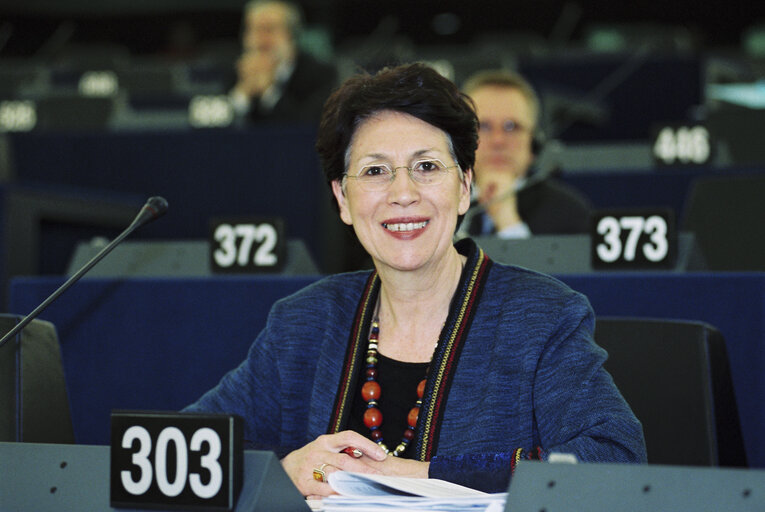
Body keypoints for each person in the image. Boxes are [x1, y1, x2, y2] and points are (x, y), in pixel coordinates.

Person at [185, 63, 646, 497]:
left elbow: (614, 461)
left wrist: (415, 477)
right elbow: (185, 449)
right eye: (375, 171)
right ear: (342, 199)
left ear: (464, 187)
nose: (403, 194)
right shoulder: (304, 323)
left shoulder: (540, 316)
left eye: (426, 167)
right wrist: (282, 475)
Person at [460, 69, 593, 238]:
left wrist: (508, 222)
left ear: (534, 143)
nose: (498, 141)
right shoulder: (439, 202)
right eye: (484, 126)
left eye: (511, 127)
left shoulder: (569, 212)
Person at [228, 0, 338, 123]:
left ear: (291, 35)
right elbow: (217, 130)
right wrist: (242, 95)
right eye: (253, 30)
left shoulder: (320, 75)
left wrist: (269, 92)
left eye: (269, 30)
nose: (260, 40)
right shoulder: (234, 71)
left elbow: (305, 128)